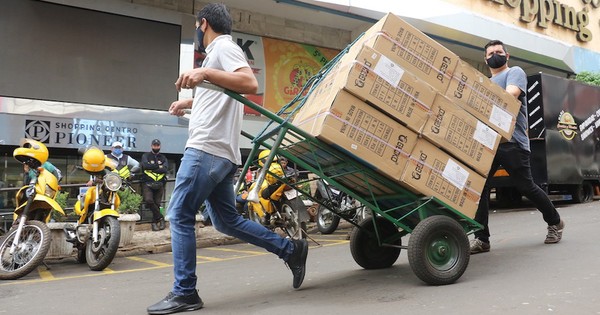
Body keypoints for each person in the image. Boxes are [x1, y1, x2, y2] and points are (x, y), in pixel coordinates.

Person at [147, 4, 308, 315]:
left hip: (207, 149)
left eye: (197, 28)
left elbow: (250, 84)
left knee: (179, 213)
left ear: (202, 24)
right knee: (226, 220)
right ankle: (291, 249)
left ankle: (185, 292)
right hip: (222, 153)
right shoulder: (218, 58)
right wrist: (189, 102)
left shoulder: (223, 47)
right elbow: (222, 94)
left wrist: (204, 72)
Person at [470, 40, 565, 254]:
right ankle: (482, 239)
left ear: (507, 55)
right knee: (480, 188)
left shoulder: (514, 72)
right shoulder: (485, 81)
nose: (495, 55)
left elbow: (511, 94)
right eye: (491, 53)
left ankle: (555, 222)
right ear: (485, 59)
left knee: (525, 186)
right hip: (489, 142)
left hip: (513, 141)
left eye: (499, 52)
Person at [141, 139, 168, 231]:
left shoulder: (163, 157)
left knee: (157, 204)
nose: (156, 147)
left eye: (157, 145)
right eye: (154, 145)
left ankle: (154, 223)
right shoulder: (146, 156)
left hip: (160, 184)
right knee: (148, 200)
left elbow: (165, 169)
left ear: (159, 146)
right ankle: (161, 218)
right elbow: (145, 166)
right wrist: (158, 166)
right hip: (147, 183)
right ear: (151, 146)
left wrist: (152, 167)